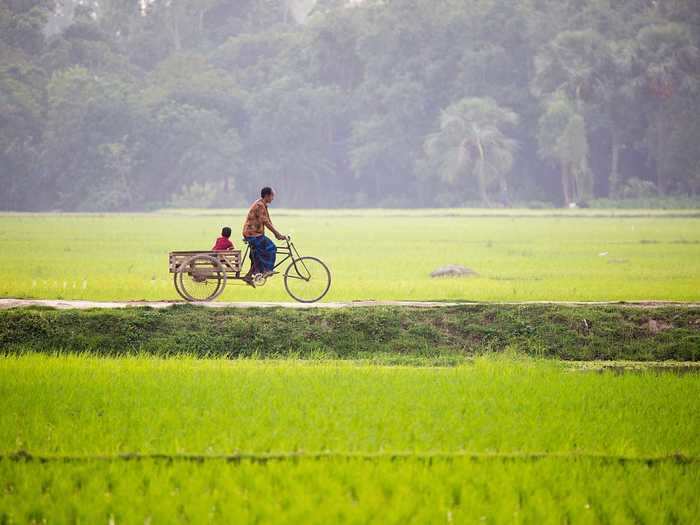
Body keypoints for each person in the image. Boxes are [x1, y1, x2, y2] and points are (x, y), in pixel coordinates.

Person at [242, 187, 285, 282]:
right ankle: (267, 270)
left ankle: (249, 276)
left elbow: (268, 220)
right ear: (267, 195)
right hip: (252, 234)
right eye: (272, 195)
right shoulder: (260, 205)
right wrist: (277, 234)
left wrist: (278, 234)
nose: (273, 198)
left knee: (258, 255)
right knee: (271, 247)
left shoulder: (263, 205)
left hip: (254, 234)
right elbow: (265, 222)